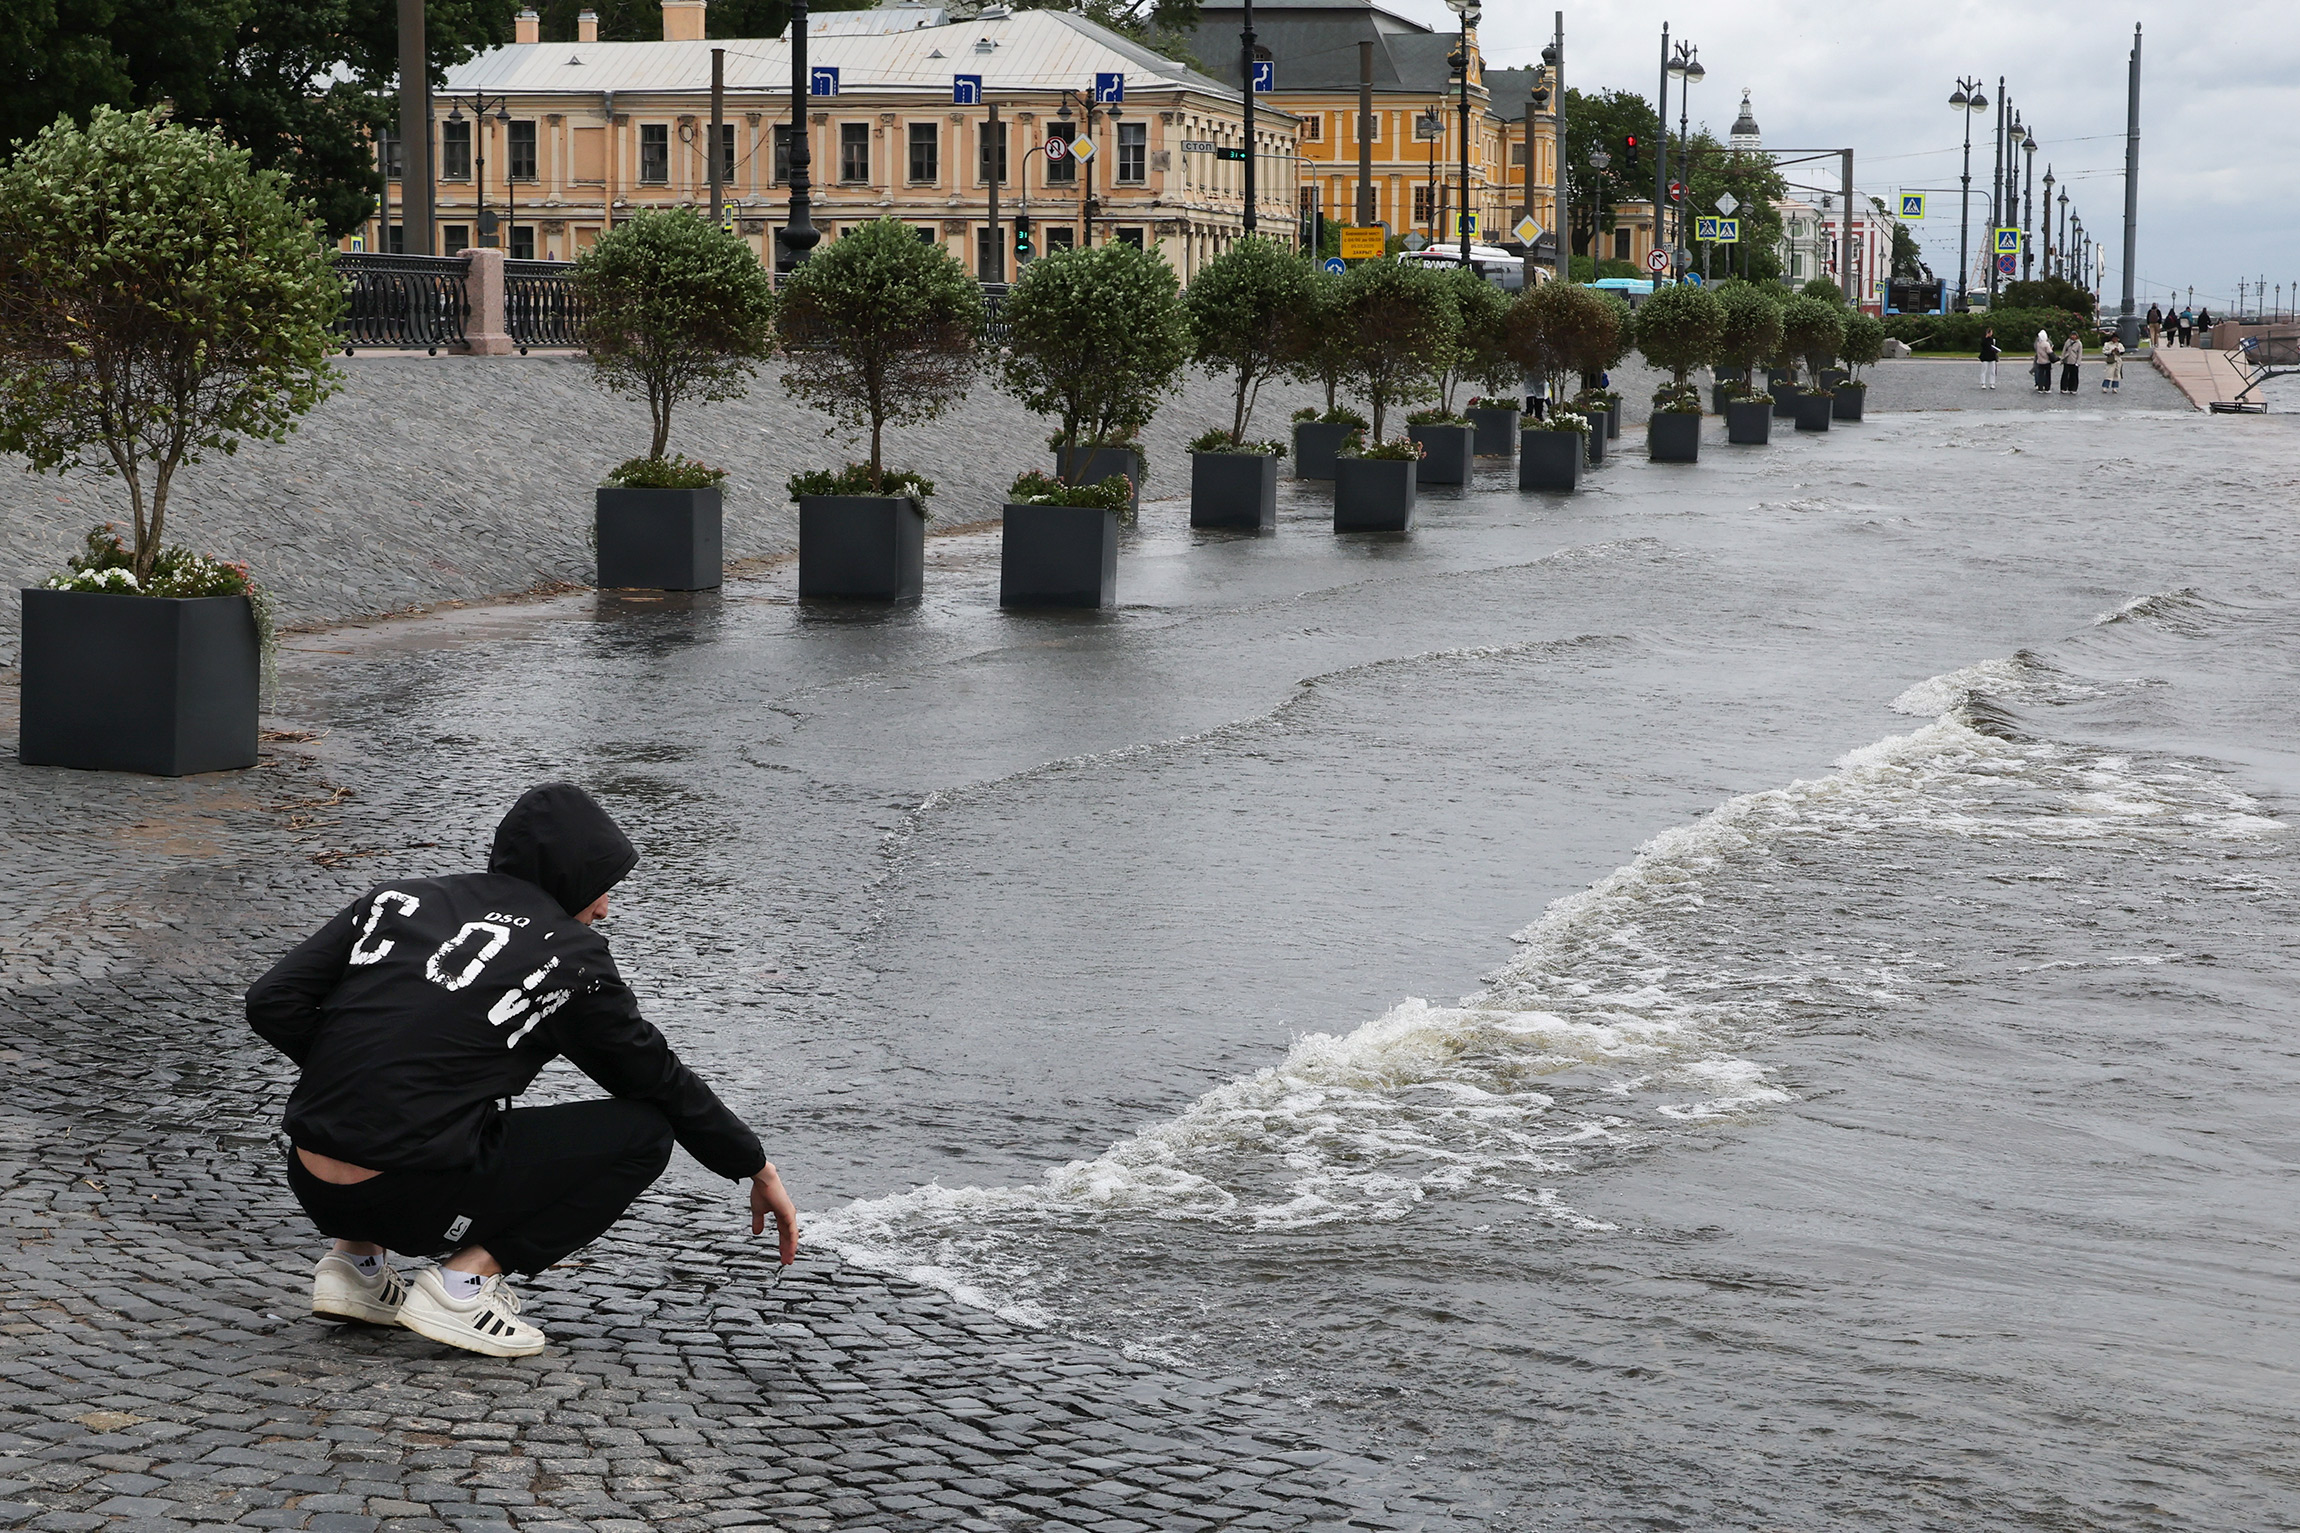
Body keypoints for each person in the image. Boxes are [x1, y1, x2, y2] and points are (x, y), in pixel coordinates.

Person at [247, 782, 798, 1359]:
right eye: (602, 889)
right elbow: (658, 1079)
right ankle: (463, 1285)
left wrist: (366, 1074)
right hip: (412, 1195)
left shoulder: (395, 900)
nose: (604, 909)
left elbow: (271, 1001)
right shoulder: (571, 960)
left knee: (414, 1103)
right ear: (573, 877)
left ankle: (354, 1264)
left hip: (311, 1180)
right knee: (645, 1135)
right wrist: (754, 1165)